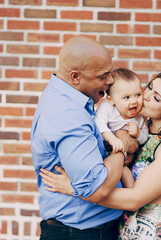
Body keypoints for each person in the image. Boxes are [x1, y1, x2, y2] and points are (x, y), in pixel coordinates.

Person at [40, 70, 161, 239]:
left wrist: (76, 188)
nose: (145, 96)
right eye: (149, 87)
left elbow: (134, 199)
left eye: (156, 98)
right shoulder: (143, 133)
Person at [31, 36, 138, 240]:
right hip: (81, 233)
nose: (111, 81)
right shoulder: (68, 114)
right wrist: (122, 144)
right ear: (75, 77)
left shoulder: (64, 98)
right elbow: (97, 188)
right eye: (103, 76)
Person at [95, 68, 148, 156]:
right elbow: (98, 123)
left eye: (138, 95)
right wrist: (112, 139)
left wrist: (138, 134)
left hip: (126, 153)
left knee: (126, 170)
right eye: (127, 97)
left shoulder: (140, 115)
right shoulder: (108, 107)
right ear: (111, 100)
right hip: (102, 149)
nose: (134, 101)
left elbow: (145, 138)